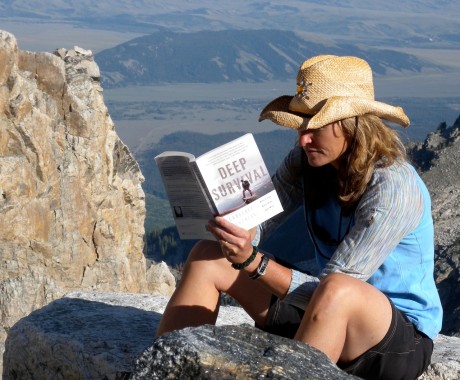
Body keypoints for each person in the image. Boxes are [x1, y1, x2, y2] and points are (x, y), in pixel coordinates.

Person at [156, 55, 443, 380]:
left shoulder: (393, 185)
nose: (302, 139)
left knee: (338, 289)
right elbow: (263, 221)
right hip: (319, 316)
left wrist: (253, 263)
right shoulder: (306, 162)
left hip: (392, 343)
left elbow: (331, 290)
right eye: (300, 126)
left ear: (351, 125)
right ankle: (166, 373)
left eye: (314, 128)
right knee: (209, 256)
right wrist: (240, 229)